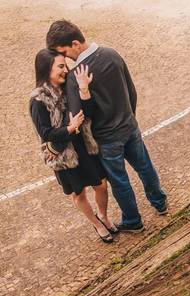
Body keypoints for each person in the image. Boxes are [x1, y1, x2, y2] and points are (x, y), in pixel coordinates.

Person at [46, 20, 167, 233]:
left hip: (106, 138)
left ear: (75, 43)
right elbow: (131, 90)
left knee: (120, 181)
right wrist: (130, 117)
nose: (66, 58)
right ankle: (160, 202)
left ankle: (132, 221)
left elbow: (79, 116)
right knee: (145, 166)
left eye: (64, 52)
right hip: (129, 126)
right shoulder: (112, 53)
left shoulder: (76, 76)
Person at [30, 50, 117, 243]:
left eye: (65, 65)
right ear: (46, 69)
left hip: (84, 145)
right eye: (60, 66)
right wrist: (70, 128)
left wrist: (84, 90)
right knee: (79, 193)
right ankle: (96, 224)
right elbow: (45, 134)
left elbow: (89, 113)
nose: (65, 70)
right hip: (65, 153)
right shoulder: (38, 100)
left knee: (101, 185)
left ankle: (103, 216)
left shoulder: (70, 85)